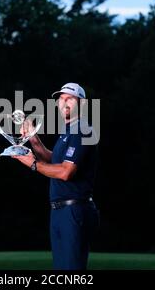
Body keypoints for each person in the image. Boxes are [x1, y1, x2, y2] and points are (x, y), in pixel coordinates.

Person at [12, 82, 100, 270]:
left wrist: (34, 165)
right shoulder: (68, 131)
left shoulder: (83, 130)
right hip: (59, 211)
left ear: (82, 104)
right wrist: (35, 141)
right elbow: (55, 160)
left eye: (70, 98)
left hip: (74, 210)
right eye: (61, 99)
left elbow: (65, 171)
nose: (64, 102)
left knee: (72, 272)